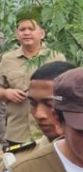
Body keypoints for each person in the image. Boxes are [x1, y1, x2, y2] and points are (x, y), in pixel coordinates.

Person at [0, 9, 63, 147]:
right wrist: (6, 93)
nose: (26, 33)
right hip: (17, 132)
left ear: (42, 33)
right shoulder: (7, 59)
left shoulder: (56, 57)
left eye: (31, 29)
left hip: (49, 131)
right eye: (22, 29)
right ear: (17, 34)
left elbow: (66, 92)